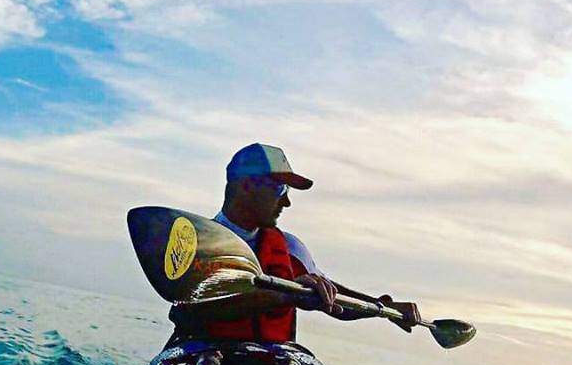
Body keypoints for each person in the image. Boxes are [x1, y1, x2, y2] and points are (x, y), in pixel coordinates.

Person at [171, 143, 420, 343]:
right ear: (246, 185)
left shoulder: (290, 247)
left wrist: (386, 308)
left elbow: (333, 299)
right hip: (200, 361)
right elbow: (189, 312)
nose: (287, 202)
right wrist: (285, 296)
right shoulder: (195, 243)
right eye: (281, 190)